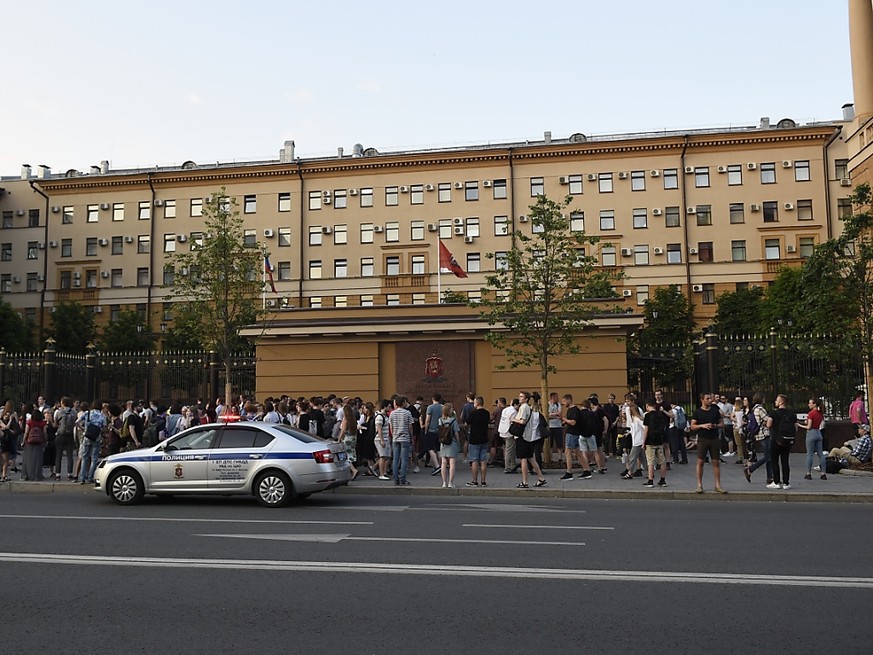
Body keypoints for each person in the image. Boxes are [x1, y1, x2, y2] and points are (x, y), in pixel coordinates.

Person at [690, 392, 726, 494]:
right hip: (703, 438)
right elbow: (692, 426)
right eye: (707, 398)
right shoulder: (697, 412)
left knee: (716, 462)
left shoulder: (715, 411)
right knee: (700, 462)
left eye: (710, 398)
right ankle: (699, 485)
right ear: (702, 400)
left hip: (714, 438)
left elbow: (722, 424)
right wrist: (702, 426)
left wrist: (715, 425)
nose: (710, 400)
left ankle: (718, 485)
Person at [559, 394, 592, 480]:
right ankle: (586, 470)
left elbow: (573, 422)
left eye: (564, 401)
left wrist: (564, 419)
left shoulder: (574, 410)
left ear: (569, 400)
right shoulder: (570, 410)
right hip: (574, 433)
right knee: (578, 453)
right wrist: (564, 421)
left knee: (567, 452)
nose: (563, 403)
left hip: (572, 433)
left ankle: (569, 472)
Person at [744, 393, 773, 486]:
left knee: (768, 456)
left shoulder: (754, 409)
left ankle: (770, 477)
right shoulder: (760, 409)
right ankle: (750, 469)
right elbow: (768, 419)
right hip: (764, 434)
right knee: (768, 456)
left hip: (759, 434)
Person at [769, 394, 797, 490]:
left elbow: (769, 424)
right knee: (785, 461)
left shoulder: (774, 413)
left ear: (781, 402)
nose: (775, 402)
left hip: (776, 439)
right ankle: (786, 483)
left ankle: (776, 482)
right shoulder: (791, 413)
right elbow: (795, 427)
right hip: (787, 440)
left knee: (774, 461)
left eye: (777, 400)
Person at [642, 398, 669, 487]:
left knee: (650, 461)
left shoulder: (648, 416)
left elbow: (646, 430)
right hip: (659, 440)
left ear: (647, 406)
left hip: (650, 441)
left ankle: (650, 480)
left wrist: (643, 442)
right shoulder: (660, 415)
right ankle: (663, 480)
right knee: (662, 461)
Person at [465, 396, 492, 487]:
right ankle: (483, 481)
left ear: (477, 403)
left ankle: (474, 480)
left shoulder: (473, 413)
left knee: (475, 460)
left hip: (474, 439)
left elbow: (467, 422)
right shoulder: (487, 413)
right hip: (484, 438)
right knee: (483, 460)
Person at [78, 400, 106, 484]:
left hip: (87, 437)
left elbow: (77, 422)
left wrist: (83, 429)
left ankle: (82, 477)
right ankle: (90, 477)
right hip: (96, 438)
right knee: (94, 458)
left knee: (85, 458)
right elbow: (104, 428)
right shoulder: (102, 416)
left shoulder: (87, 413)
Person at [389, 396, 414, 486]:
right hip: (405, 438)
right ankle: (402, 478)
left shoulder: (392, 413)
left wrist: (394, 435)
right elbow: (410, 427)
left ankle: (395, 479)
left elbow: (391, 426)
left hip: (395, 438)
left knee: (395, 459)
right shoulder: (407, 413)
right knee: (404, 459)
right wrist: (411, 437)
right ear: (403, 403)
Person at [21, 403, 47, 481]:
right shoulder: (43, 423)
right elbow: (45, 433)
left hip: (29, 442)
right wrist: (45, 441)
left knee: (28, 459)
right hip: (39, 442)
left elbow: (26, 432)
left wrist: (23, 441)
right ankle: (37, 475)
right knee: (38, 459)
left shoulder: (29, 422)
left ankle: (26, 475)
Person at [53, 397, 77, 479]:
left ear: (62, 403)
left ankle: (58, 473)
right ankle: (70, 473)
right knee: (70, 455)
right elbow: (75, 423)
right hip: (70, 435)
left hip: (60, 434)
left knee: (58, 455)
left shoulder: (59, 412)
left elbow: (55, 424)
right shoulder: (74, 412)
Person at [803, 398, 827, 481]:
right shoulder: (820, 413)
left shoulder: (811, 413)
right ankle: (823, 473)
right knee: (821, 454)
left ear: (814, 404)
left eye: (810, 403)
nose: (808, 404)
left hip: (811, 433)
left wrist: (800, 425)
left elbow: (809, 426)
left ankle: (808, 473)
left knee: (810, 454)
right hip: (818, 433)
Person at [438, 402, 461, 488]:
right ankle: (451, 482)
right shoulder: (453, 421)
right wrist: (458, 442)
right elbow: (456, 433)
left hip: (443, 442)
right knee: (452, 463)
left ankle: (444, 482)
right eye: (451, 409)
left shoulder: (440, 420)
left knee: (443, 463)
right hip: (452, 443)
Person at [622, 399, 645, 480]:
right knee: (643, 459)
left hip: (638, 441)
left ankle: (630, 472)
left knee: (632, 457)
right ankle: (650, 472)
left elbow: (644, 428)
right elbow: (633, 429)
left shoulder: (638, 420)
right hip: (637, 440)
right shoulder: (635, 420)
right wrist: (628, 433)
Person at [421, 394, 444, 477]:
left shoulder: (430, 407)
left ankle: (437, 466)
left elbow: (427, 420)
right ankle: (442, 465)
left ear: (432, 399)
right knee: (439, 449)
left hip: (431, 430)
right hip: (440, 431)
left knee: (430, 448)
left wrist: (426, 430)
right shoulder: (443, 407)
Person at [498, 398, 519, 474]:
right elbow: (513, 421)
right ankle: (508, 467)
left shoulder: (506, 409)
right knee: (509, 450)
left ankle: (512, 465)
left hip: (502, 431)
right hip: (509, 432)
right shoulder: (514, 412)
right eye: (518, 405)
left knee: (509, 449)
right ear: (515, 405)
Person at [373, 399, 392, 480]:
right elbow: (379, 429)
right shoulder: (380, 417)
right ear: (384, 407)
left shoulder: (385, 416)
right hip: (380, 439)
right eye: (389, 406)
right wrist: (381, 440)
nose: (390, 407)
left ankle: (375, 468)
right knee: (383, 456)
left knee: (387, 456)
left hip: (385, 438)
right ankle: (381, 474)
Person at [547, 392, 564, 463]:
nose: (558, 398)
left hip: (558, 426)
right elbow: (547, 415)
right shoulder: (547, 405)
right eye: (557, 397)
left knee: (559, 442)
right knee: (550, 443)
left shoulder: (558, 404)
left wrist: (552, 415)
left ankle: (560, 457)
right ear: (553, 397)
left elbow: (560, 414)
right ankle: (550, 458)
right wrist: (555, 415)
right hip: (550, 426)